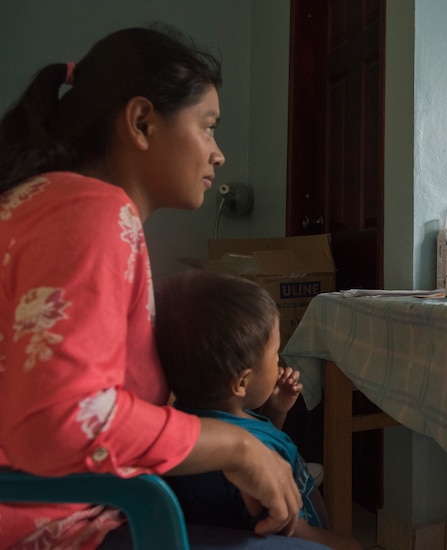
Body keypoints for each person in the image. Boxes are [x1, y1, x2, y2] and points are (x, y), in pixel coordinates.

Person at [0, 25, 327, 549]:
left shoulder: (45, 203)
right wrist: (237, 448)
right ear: (142, 121)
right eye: (208, 127)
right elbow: (62, 420)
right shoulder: (92, 213)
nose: (218, 154)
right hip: (55, 531)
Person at [154, 270, 361, 550]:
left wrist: (275, 413)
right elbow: (292, 531)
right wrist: (347, 545)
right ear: (241, 382)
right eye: (275, 355)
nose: (279, 363)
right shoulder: (235, 460)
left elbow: (258, 447)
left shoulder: (186, 433)